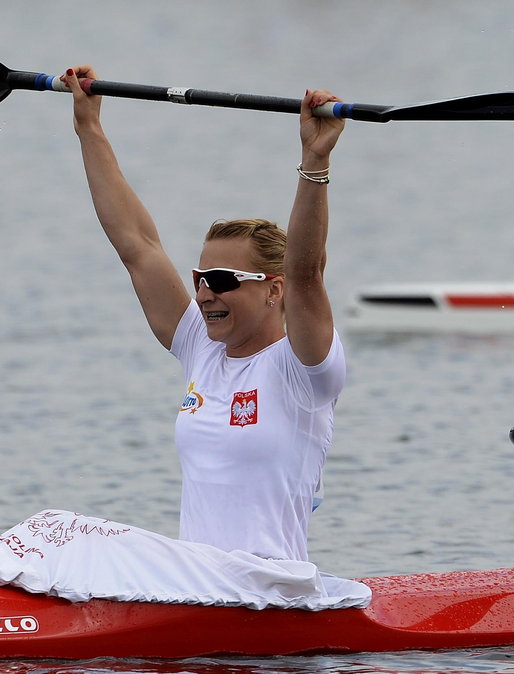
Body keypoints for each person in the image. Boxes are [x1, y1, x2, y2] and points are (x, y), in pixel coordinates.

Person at [63, 66, 346, 562]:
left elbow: (307, 273)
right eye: (200, 279)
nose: (204, 295)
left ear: (273, 291)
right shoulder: (201, 348)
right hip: (200, 582)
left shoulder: (304, 370)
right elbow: (137, 245)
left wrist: (314, 160)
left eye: (221, 281)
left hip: (270, 589)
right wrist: (89, 126)